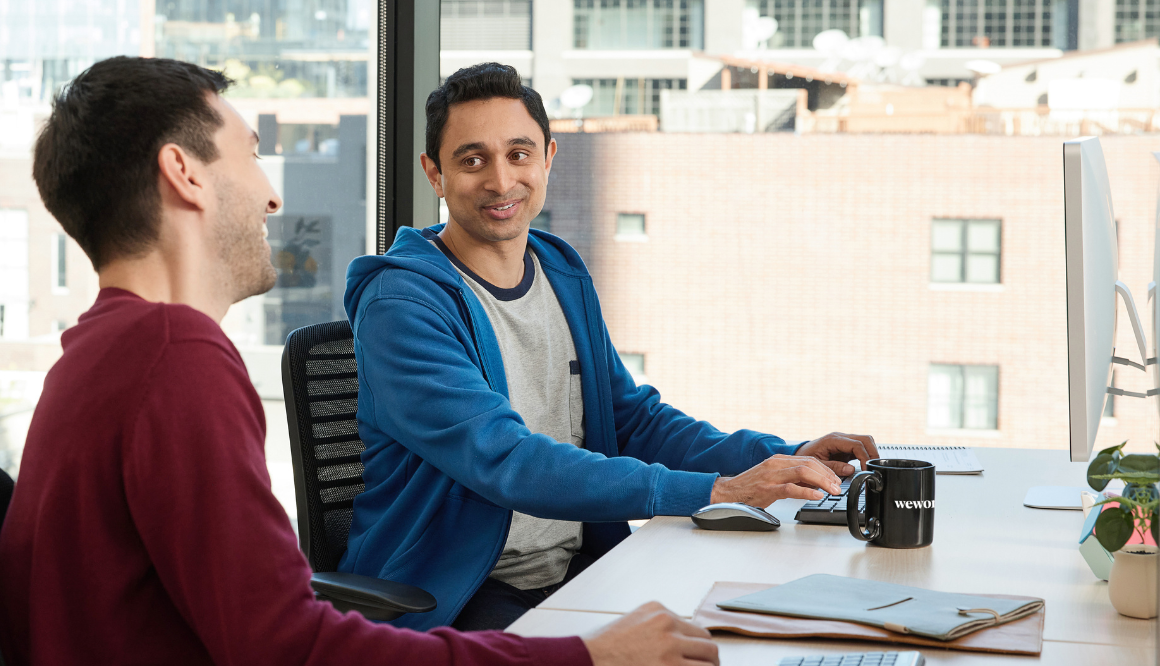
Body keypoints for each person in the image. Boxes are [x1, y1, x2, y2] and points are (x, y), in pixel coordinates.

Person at [0, 56, 722, 666]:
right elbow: (294, 663)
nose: (271, 196)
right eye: (252, 153)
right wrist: (581, 664)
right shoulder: (173, 362)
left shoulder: (102, 355)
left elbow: (269, 646)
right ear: (184, 173)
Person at [340, 62, 878, 633]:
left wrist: (782, 457)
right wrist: (718, 492)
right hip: (452, 590)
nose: (500, 181)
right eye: (472, 160)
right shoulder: (401, 303)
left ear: (547, 158)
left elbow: (630, 419)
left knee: (743, 633)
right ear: (435, 173)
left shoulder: (558, 269)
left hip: (579, 569)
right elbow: (507, 460)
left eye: (518, 154)